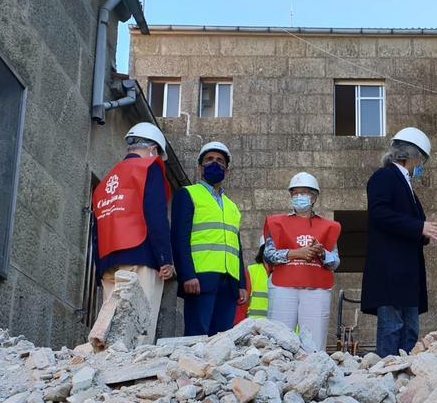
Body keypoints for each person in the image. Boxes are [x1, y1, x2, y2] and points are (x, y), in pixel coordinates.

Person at [362, 127, 437, 356]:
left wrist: (424, 232)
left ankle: (407, 381)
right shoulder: (384, 176)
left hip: (406, 272)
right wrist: (421, 227)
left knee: (410, 329)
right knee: (392, 327)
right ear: (413, 155)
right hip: (391, 270)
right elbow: (379, 214)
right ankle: (388, 377)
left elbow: (404, 222)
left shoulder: (407, 186)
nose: (422, 165)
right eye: (422, 160)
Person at [89, 122, 174, 346]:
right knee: (139, 328)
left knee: (110, 330)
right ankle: (133, 378)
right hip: (141, 258)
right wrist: (165, 258)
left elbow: (96, 228)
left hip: (109, 262)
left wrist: (100, 270)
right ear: (154, 150)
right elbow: (156, 215)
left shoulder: (107, 181)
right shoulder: (149, 168)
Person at [171, 141, 248, 336]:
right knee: (197, 338)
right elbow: (179, 238)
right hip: (200, 280)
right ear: (200, 167)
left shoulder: (232, 206)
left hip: (229, 284)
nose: (215, 163)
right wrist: (187, 274)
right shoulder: (188, 194)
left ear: (227, 170)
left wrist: (241, 285)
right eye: (209, 159)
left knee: (222, 341)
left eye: (220, 161)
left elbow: (236, 248)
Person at [263, 172, 341, 352]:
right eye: (295, 193)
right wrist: (297, 253)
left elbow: (335, 262)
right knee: (278, 342)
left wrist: (322, 253)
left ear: (314, 197)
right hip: (283, 287)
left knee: (314, 344)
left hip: (316, 289)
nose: (299, 197)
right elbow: (269, 254)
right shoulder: (277, 223)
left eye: (304, 193)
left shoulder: (328, 226)